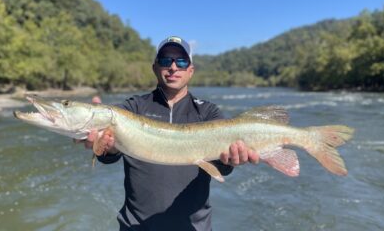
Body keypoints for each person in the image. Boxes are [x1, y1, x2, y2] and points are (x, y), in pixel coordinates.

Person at [83, 36, 259, 231]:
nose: (173, 67)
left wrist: (231, 160)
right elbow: (108, 154)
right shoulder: (133, 107)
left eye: (181, 61)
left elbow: (223, 166)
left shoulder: (208, 113)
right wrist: (104, 145)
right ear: (155, 68)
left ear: (191, 71)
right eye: (166, 60)